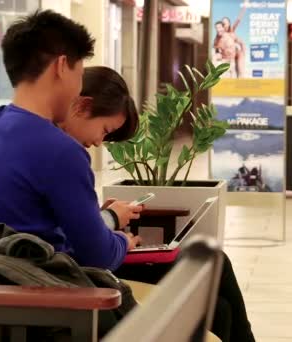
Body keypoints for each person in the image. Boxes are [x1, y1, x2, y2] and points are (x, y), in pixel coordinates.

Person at [60, 65, 255, 342]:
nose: (99, 143)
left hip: (86, 265)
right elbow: (95, 250)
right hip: (91, 272)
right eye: (104, 131)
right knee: (218, 293)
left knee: (220, 292)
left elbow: (72, 227)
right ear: (81, 106)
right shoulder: (63, 154)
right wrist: (116, 230)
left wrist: (103, 217)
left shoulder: (23, 140)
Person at [0, 10, 143, 272]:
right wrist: (122, 240)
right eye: (80, 74)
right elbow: (100, 257)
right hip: (48, 291)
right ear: (61, 67)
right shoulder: (62, 151)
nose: (80, 88)